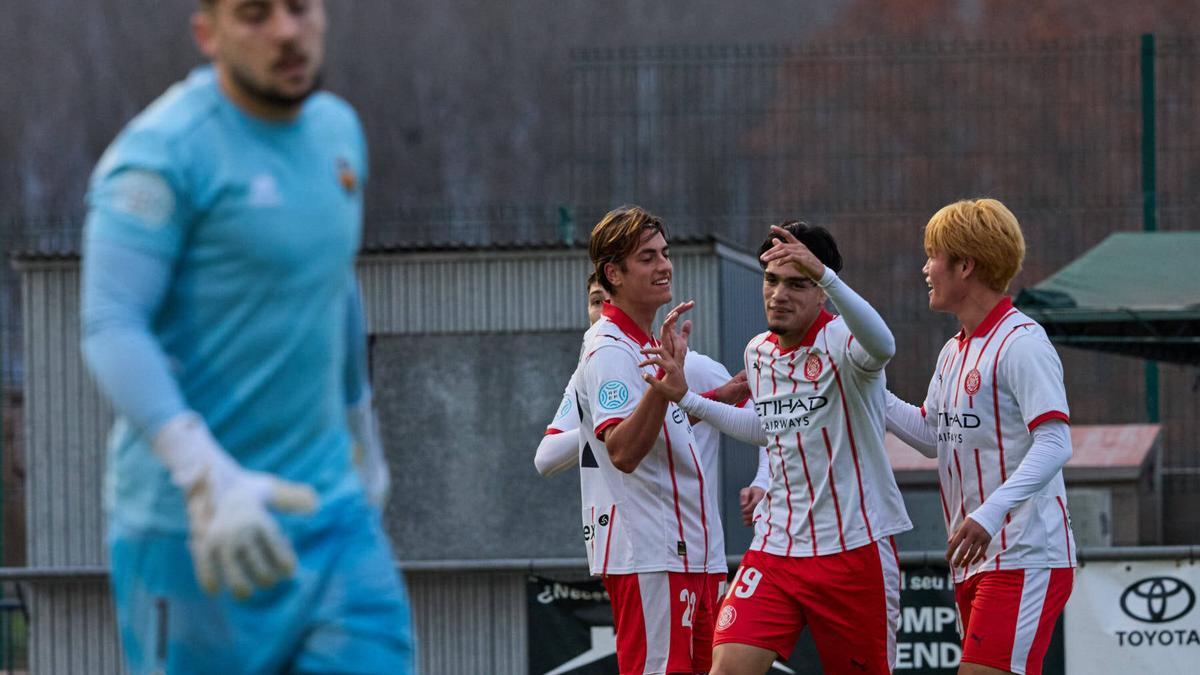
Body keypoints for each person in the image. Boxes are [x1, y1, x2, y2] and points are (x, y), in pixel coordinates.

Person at [80, 1, 412, 672]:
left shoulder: (338, 133)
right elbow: (111, 321)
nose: (287, 32)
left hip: (329, 510)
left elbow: (331, 281)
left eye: (299, 9)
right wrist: (204, 472)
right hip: (193, 529)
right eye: (256, 14)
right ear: (208, 33)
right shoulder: (161, 154)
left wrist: (361, 430)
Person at [642, 222, 911, 675]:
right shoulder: (758, 352)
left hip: (853, 552)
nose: (779, 294)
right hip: (776, 550)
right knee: (726, 668)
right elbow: (768, 428)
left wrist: (825, 274)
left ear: (823, 290)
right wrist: (686, 397)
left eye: (798, 283)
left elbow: (884, 345)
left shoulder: (845, 342)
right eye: (772, 280)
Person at [885, 198, 1075, 675]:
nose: (925, 268)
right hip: (978, 557)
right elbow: (933, 436)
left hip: (1025, 554)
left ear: (965, 265)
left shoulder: (1023, 343)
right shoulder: (953, 351)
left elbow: (1055, 442)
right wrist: (870, 392)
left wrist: (989, 515)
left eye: (933, 256)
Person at [571, 205, 729, 675]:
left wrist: (713, 395)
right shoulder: (608, 348)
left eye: (665, 252)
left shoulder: (644, 341)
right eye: (647, 257)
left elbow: (664, 427)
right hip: (649, 555)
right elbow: (621, 451)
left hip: (689, 553)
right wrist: (665, 387)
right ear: (613, 273)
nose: (664, 265)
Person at [534, 273, 770, 531]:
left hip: (685, 532)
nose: (604, 309)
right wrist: (607, 423)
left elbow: (770, 425)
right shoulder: (585, 377)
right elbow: (546, 458)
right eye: (595, 301)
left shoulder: (693, 367)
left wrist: (762, 482)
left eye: (608, 299)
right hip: (619, 541)